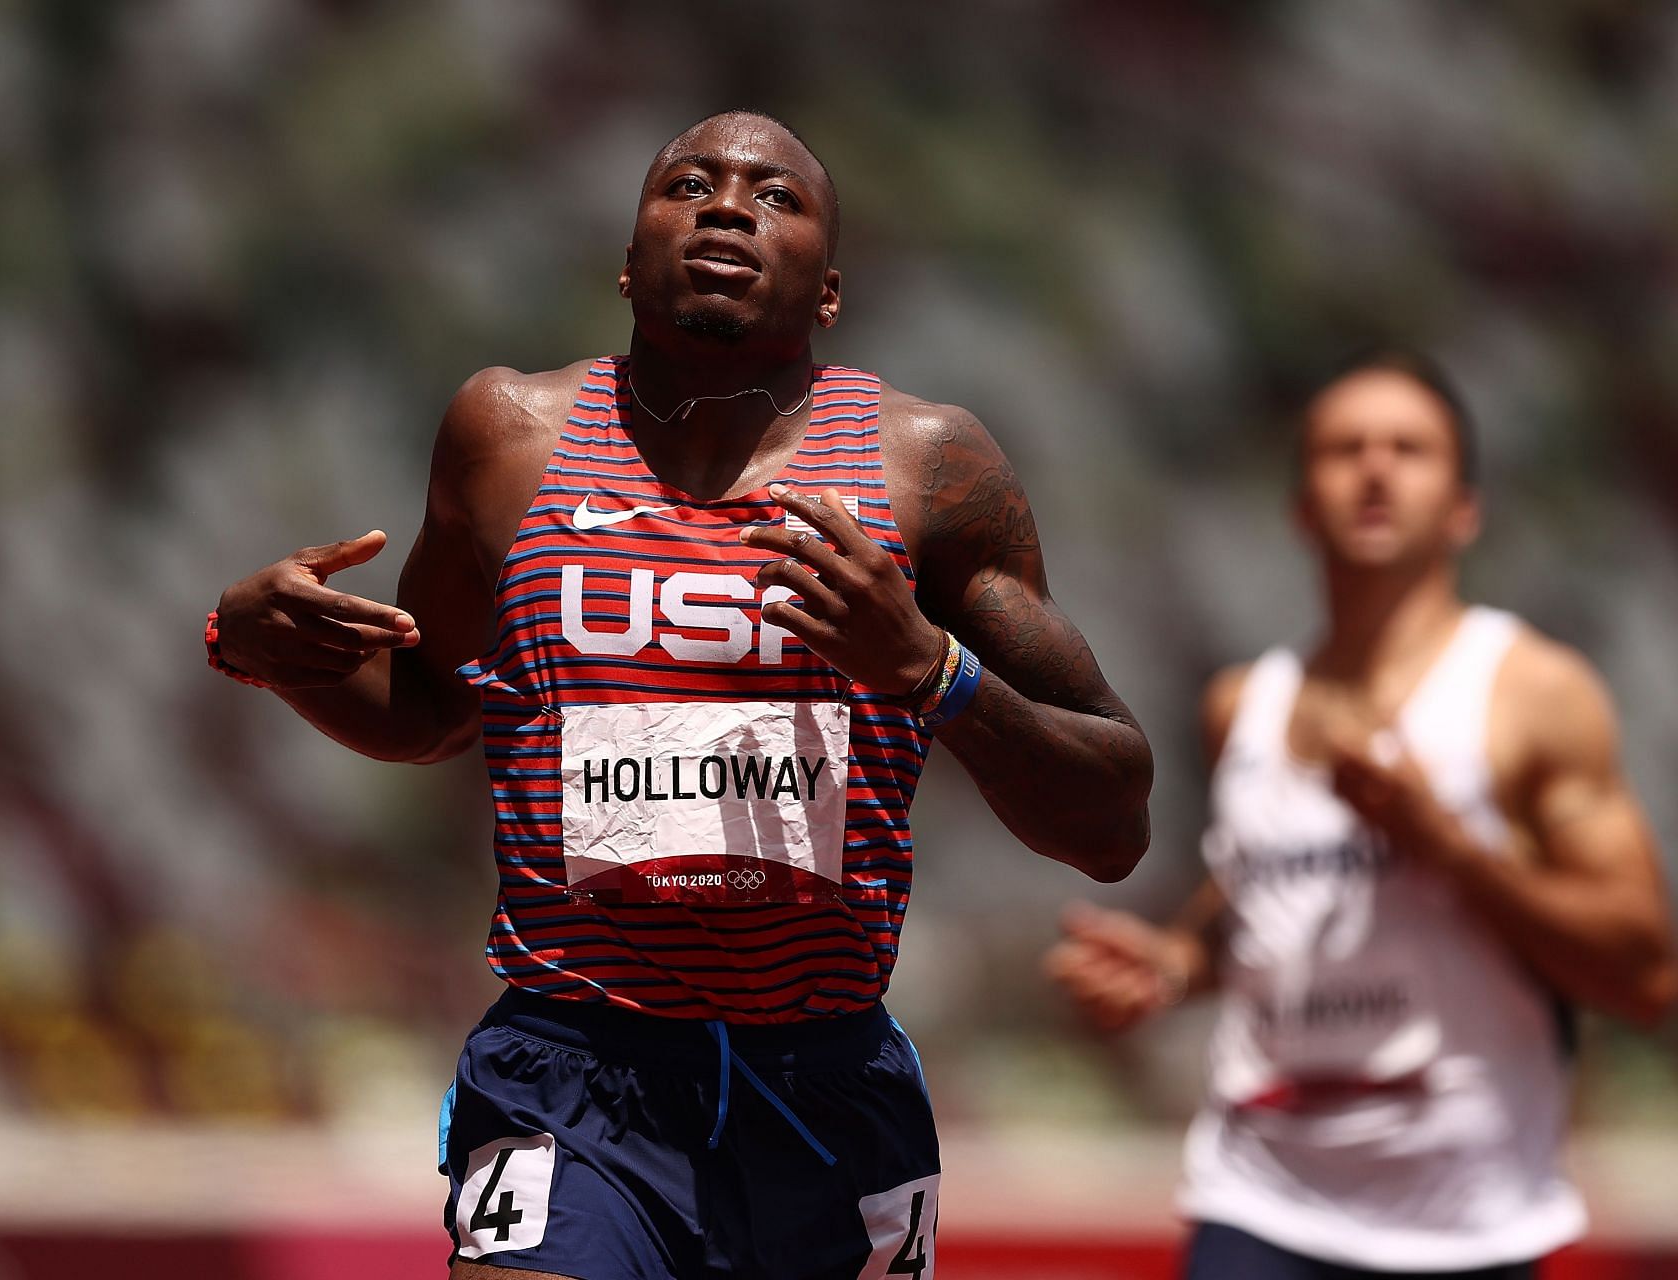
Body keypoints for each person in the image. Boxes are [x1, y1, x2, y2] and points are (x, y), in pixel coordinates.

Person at [206, 109, 1153, 1280]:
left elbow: (1115, 816)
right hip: (572, 1068)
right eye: (689, 183)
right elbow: (433, 708)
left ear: (832, 291)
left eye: (776, 196)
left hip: (826, 1088)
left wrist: (929, 671)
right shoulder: (510, 434)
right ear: (625, 257)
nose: (726, 205)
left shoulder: (927, 467)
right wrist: (255, 646)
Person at [1046, 348, 1678, 1279]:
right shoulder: (1243, 706)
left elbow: (1645, 972)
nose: (1376, 468)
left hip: (1471, 1219)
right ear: (1302, 506)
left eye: (1409, 449)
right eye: (1345, 449)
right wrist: (1177, 961)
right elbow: (1266, 890)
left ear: (1466, 507)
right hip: (1261, 1200)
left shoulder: (1534, 693)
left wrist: (1449, 849)